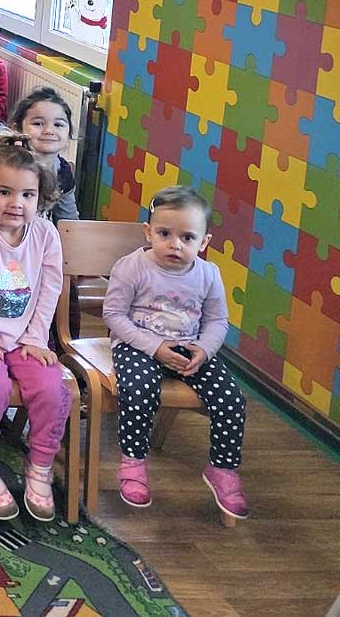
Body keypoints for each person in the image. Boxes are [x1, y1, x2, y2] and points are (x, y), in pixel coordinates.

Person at [103, 186, 247, 518]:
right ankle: (133, 463)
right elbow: (113, 315)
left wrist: (204, 351)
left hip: (189, 349)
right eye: (164, 234)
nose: (175, 244)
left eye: (187, 237)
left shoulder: (208, 274)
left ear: (204, 242)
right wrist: (154, 347)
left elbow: (217, 321)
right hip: (138, 345)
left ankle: (222, 469)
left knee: (232, 399)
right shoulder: (133, 267)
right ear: (148, 232)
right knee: (139, 390)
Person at [0, 135, 72, 522]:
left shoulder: (46, 234)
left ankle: (40, 465)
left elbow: (50, 287)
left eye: (28, 195)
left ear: (40, 197)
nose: (16, 203)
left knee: (51, 387)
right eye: (4, 192)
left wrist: (36, 336)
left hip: (25, 338)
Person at [12, 87, 78, 223]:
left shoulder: (63, 172)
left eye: (58, 124)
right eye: (38, 123)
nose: (48, 130)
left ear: (69, 133)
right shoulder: (6, 164)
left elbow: (68, 222)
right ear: (17, 129)